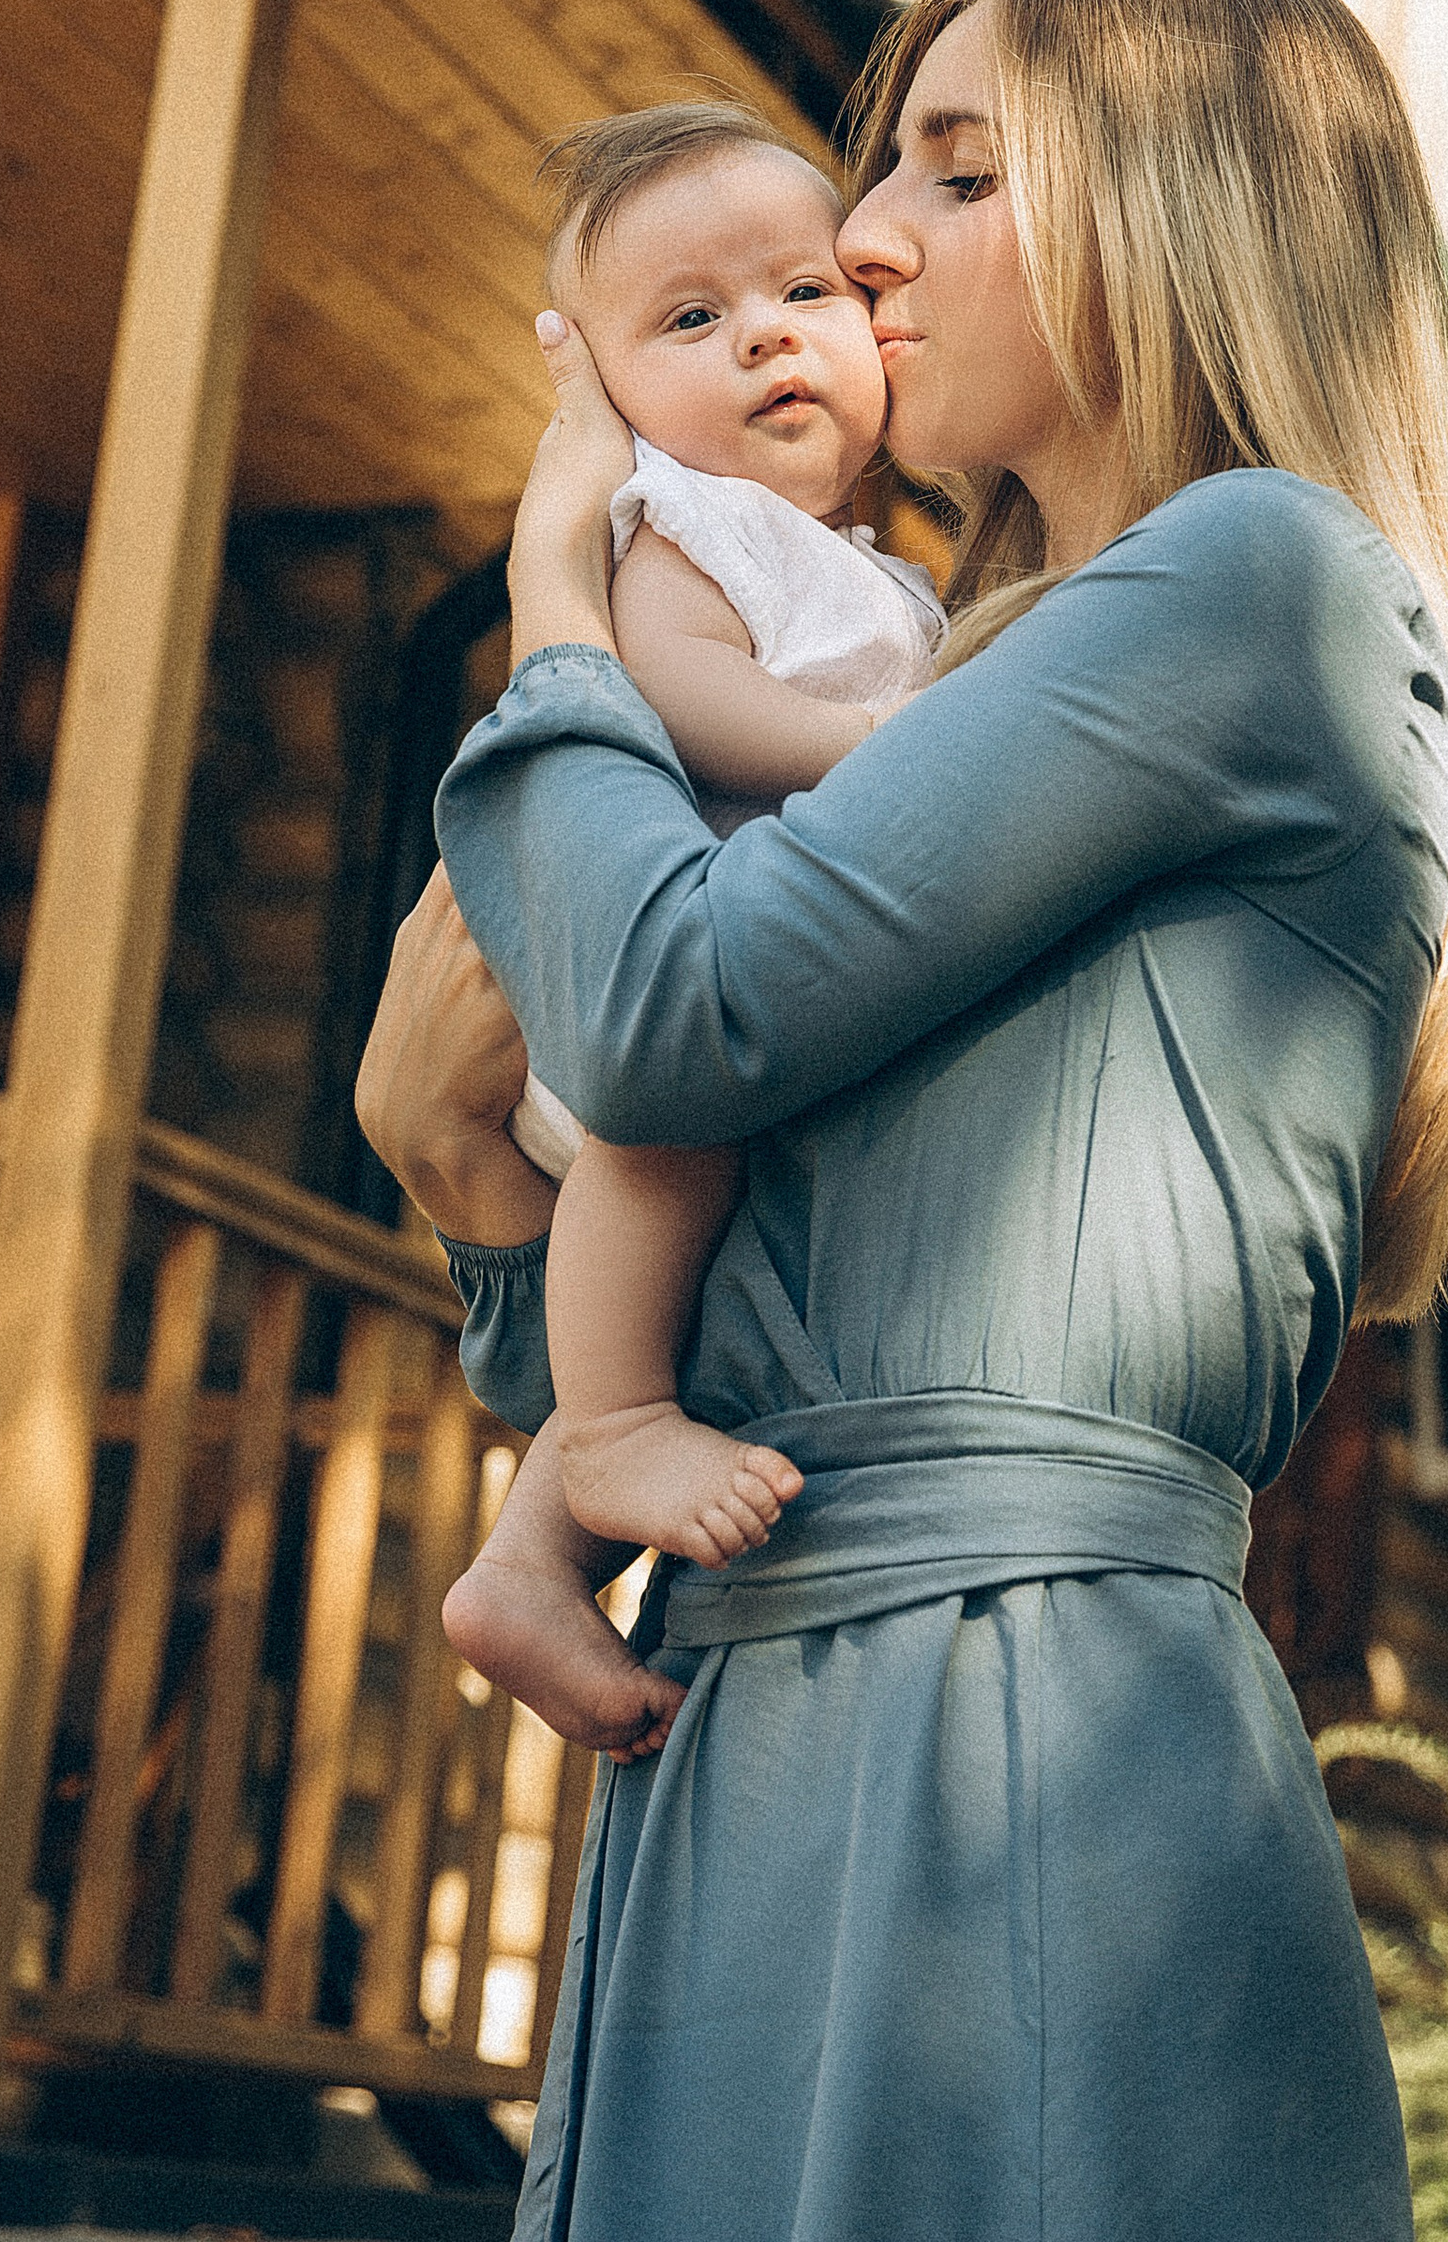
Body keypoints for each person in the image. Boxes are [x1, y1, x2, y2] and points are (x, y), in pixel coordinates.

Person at [356, 0, 1448, 2242]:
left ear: (1186, 218)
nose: (864, 233)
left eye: (958, 171)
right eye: (883, 159)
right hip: (750, 1722)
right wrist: (458, 1162)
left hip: (1012, 1732)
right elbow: (689, 1284)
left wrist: (557, 599)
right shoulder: (943, 681)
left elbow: (668, 1019)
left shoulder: (1252, 577)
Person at [441, 101, 944, 1742]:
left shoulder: (874, 572)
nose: (765, 342)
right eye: (690, 321)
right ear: (604, 396)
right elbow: (682, 697)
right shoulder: (688, 528)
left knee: (718, 1211)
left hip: (761, 980)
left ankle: (529, 1568)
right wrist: (890, 756)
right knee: (674, 1151)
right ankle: (614, 1423)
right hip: (661, 960)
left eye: (801, 293)